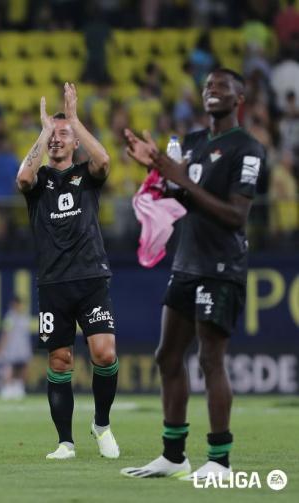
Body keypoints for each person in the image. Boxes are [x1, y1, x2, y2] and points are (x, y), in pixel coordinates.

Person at [121, 68, 266, 482]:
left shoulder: (247, 148)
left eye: (222, 86)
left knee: (209, 358)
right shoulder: (195, 142)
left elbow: (237, 215)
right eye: (207, 86)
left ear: (239, 98)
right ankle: (173, 456)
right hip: (187, 262)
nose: (212, 91)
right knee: (167, 355)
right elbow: (181, 194)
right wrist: (159, 172)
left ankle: (219, 460)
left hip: (221, 265)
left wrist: (180, 176)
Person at [16, 83, 120, 460]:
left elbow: (105, 161)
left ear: (75, 142)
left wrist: (74, 119)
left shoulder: (86, 176)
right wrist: (44, 131)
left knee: (104, 354)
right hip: (53, 284)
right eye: (53, 136)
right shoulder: (40, 181)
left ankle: (102, 424)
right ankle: (65, 442)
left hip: (92, 278)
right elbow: (22, 178)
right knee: (60, 362)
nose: (57, 140)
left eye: (64, 136)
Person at [0, 297, 32, 400]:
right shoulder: (10, 318)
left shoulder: (24, 317)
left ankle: (18, 388)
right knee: (10, 368)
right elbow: (5, 334)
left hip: (23, 347)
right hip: (12, 347)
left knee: (23, 368)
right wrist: (0, 347)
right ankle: (6, 389)